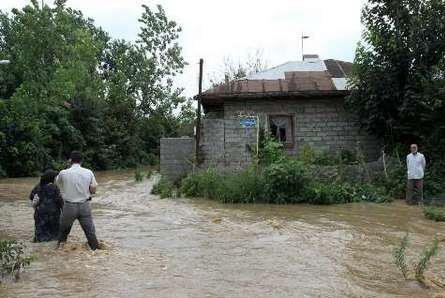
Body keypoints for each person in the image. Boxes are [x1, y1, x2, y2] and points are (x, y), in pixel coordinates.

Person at [56, 151, 99, 250]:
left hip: (69, 206)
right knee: (90, 232)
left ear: (70, 160)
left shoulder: (63, 173)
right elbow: (94, 188)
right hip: (84, 206)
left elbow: (58, 182)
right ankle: (95, 249)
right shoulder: (88, 172)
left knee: (63, 231)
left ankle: (59, 251)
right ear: (82, 161)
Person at [29, 169, 64, 242]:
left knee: (40, 235)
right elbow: (60, 200)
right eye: (55, 177)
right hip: (53, 215)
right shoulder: (54, 187)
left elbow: (31, 196)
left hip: (40, 214)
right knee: (54, 237)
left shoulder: (38, 186)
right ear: (51, 178)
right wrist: (64, 211)